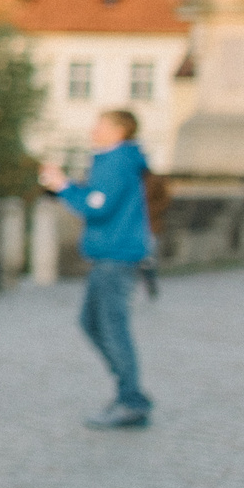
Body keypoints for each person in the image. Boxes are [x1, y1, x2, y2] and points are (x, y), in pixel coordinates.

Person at [41, 110, 154, 429]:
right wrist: (65, 187)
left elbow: (97, 206)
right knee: (93, 323)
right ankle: (130, 395)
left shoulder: (116, 160)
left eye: (101, 125)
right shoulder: (115, 159)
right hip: (111, 255)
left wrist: (62, 186)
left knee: (110, 326)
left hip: (115, 256)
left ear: (119, 131)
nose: (94, 129)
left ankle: (131, 400)